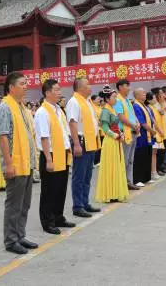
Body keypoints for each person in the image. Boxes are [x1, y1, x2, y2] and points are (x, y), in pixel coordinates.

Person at [0, 72, 39, 255]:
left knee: (24, 203)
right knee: (14, 204)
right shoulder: (6, 107)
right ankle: (11, 240)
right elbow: (3, 136)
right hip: (16, 164)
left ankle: (20, 235)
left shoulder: (21, 107)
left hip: (26, 163)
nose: (26, 86)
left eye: (26, 83)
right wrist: (9, 163)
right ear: (11, 87)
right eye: (22, 83)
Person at [34, 79, 75, 235]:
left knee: (60, 188)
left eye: (60, 89)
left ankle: (58, 217)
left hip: (62, 152)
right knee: (49, 190)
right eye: (57, 90)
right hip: (50, 154)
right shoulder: (42, 112)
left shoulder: (58, 109)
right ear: (47, 92)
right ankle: (47, 221)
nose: (60, 92)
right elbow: (44, 137)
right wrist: (49, 160)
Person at [66, 77, 101, 218]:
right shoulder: (74, 102)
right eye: (87, 84)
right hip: (81, 141)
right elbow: (72, 123)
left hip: (90, 141)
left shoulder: (86, 102)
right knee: (79, 176)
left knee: (87, 175)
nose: (90, 86)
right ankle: (78, 206)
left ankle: (85, 202)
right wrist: (76, 144)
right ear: (80, 87)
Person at [95, 86, 129, 203]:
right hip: (110, 141)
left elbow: (115, 126)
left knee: (117, 165)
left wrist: (121, 133)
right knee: (111, 166)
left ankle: (115, 191)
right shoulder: (105, 110)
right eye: (114, 97)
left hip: (116, 140)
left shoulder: (112, 109)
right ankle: (110, 192)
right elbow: (105, 128)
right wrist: (116, 135)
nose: (115, 99)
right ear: (107, 99)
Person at [114, 79, 141, 190]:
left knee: (130, 159)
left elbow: (132, 114)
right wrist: (133, 125)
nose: (129, 88)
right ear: (120, 87)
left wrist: (137, 123)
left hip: (133, 131)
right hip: (126, 132)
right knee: (124, 160)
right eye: (127, 85)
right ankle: (122, 183)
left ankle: (129, 182)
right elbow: (121, 117)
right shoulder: (117, 100)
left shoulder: (128, 100)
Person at [132, 88, 156, 187]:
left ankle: (146, 177)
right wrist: (151, 130)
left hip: (148, 136)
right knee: (139, 157)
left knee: (147, 155)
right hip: (141, 136)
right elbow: (142, 122)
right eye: (143, 93)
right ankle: (138, 178)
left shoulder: (144, 106)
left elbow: (151, 119)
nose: (145, 95)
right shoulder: (136, 106)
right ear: (137, 95)